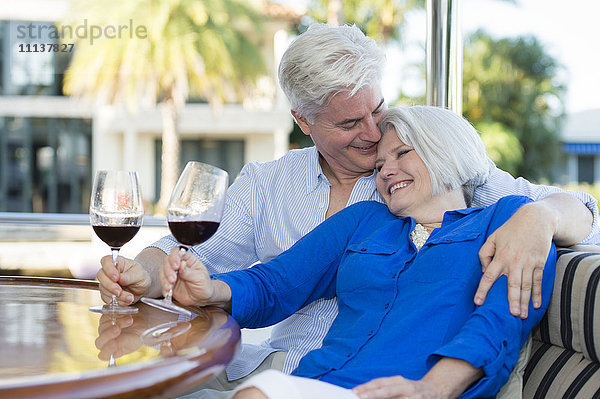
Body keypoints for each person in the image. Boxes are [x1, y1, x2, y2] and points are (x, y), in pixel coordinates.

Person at [96, 23, 598, 391]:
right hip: (277, 366)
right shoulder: (303, 196)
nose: (375, 136)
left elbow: (574, 216)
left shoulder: (481, 199)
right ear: (305, 121)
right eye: (350, 123)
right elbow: (269, 279)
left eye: (378, 111)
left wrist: (541, 216)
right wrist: (149, 273)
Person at [161, 105, 557, 399]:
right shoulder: (365, 220)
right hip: (317, 382)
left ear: (446, 151)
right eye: (380, 163)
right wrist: (210, 290)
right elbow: (277, 283)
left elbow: (498, 322)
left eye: (402, 154)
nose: (385, 171)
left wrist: (430, 389)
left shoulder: (508, 221)